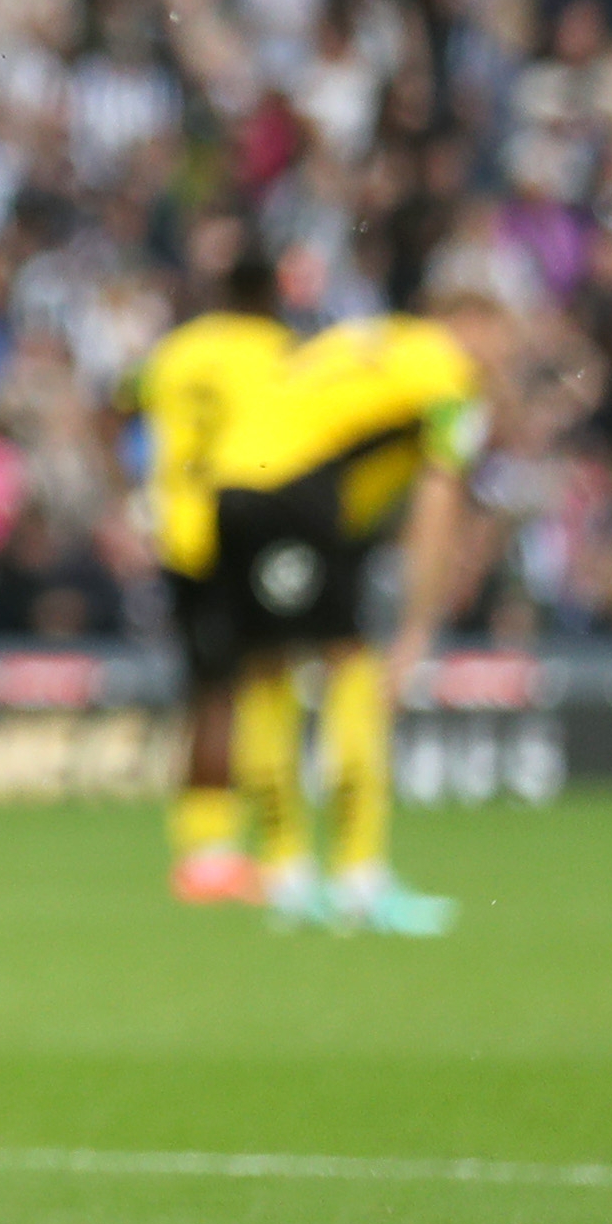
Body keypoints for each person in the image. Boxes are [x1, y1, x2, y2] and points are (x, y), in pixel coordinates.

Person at [197, 281, 522, 937]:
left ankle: (287, 873)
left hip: (233, 483)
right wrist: (416, 629)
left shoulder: (376, 341)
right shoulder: (447, 373)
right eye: (499, 339)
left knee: (266, 671)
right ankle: (358, 877)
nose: (500, 360)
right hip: (296, 489)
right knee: (351, 664)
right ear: (468, 322)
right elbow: (438, 498)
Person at [129, 237, 293, 904]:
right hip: (247, 527)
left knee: (205, 688)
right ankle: (235, 850)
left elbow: (126, 413)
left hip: (179, 531)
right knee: (257, 681)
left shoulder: (176, 350)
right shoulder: (274, 352)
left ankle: (203, 840)